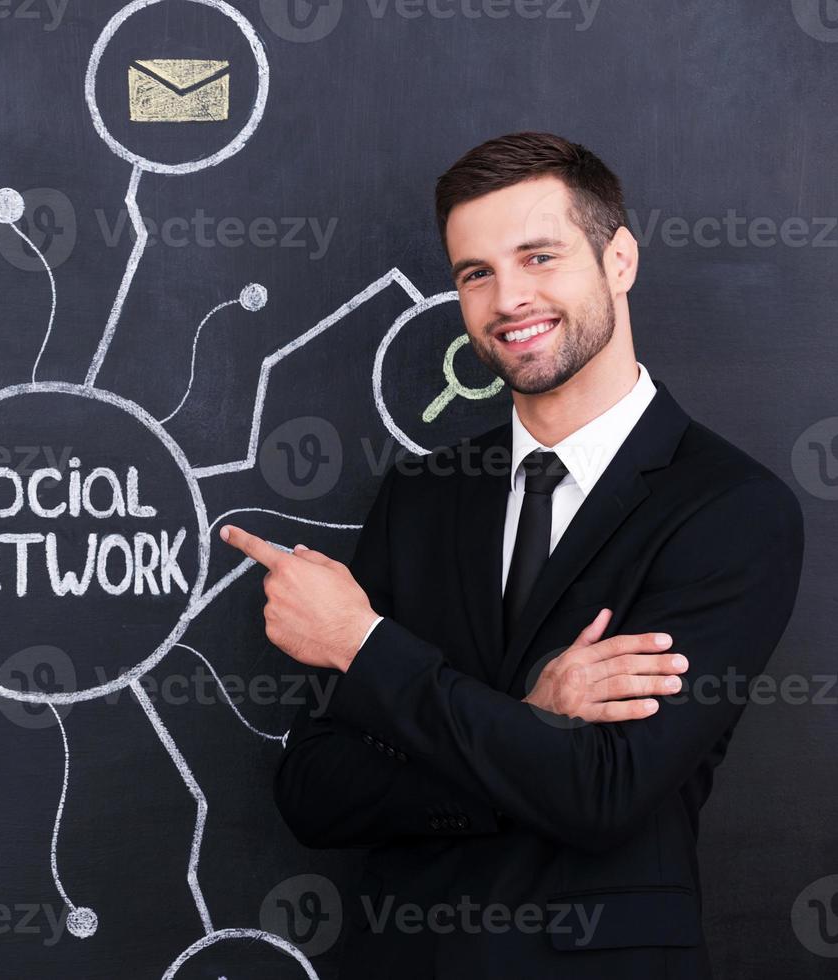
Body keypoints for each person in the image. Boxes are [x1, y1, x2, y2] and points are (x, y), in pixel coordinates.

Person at [220, 132, 804, 978]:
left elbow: (600, 793)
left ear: (619, 260)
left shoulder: (728, 510)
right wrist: (530, 719)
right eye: (475, 273)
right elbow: (315, 790)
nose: (508, 299)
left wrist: (364, 646)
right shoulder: (421, 496)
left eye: (538, 257)